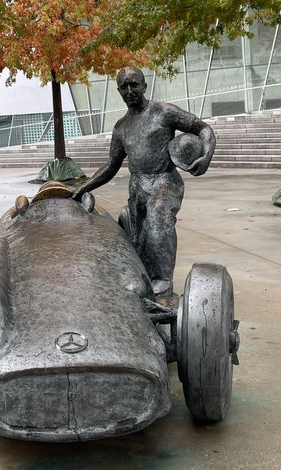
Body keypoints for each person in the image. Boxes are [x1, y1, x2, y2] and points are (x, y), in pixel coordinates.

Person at [73, 67, 215, 299]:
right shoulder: (120, 128)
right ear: (119, 91)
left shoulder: (163, 112)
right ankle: (143, 278)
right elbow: (111, 166)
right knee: (138, 236)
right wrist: (85, 186)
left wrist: (206, 156)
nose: (129, 91)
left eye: (134, 85)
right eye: (124, 87)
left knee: (158, 218)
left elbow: (203, 128)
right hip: (138, 184)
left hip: (164, 180)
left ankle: (163, 281)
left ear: (144, 86)